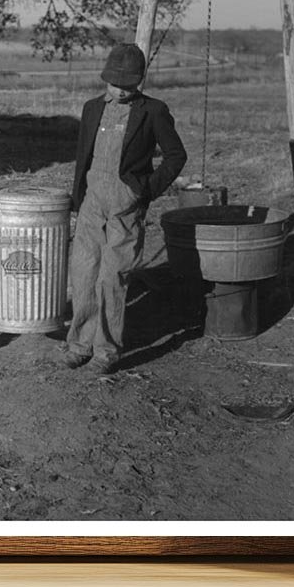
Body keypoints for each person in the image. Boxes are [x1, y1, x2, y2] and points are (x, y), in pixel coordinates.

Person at [64, 43, 187, 374]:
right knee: (83, 271)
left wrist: (145, 191)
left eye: (128, 85)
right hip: (91, 204)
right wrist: (78, 196)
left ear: (140, 81)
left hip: (125, 206)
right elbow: (82, 157)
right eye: (115, 83)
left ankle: (106, 350)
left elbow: (176, 156)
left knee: (112, 277)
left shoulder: (153, 111)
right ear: (105, 78)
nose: (120, 90)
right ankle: (79, 343)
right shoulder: (92, 109)